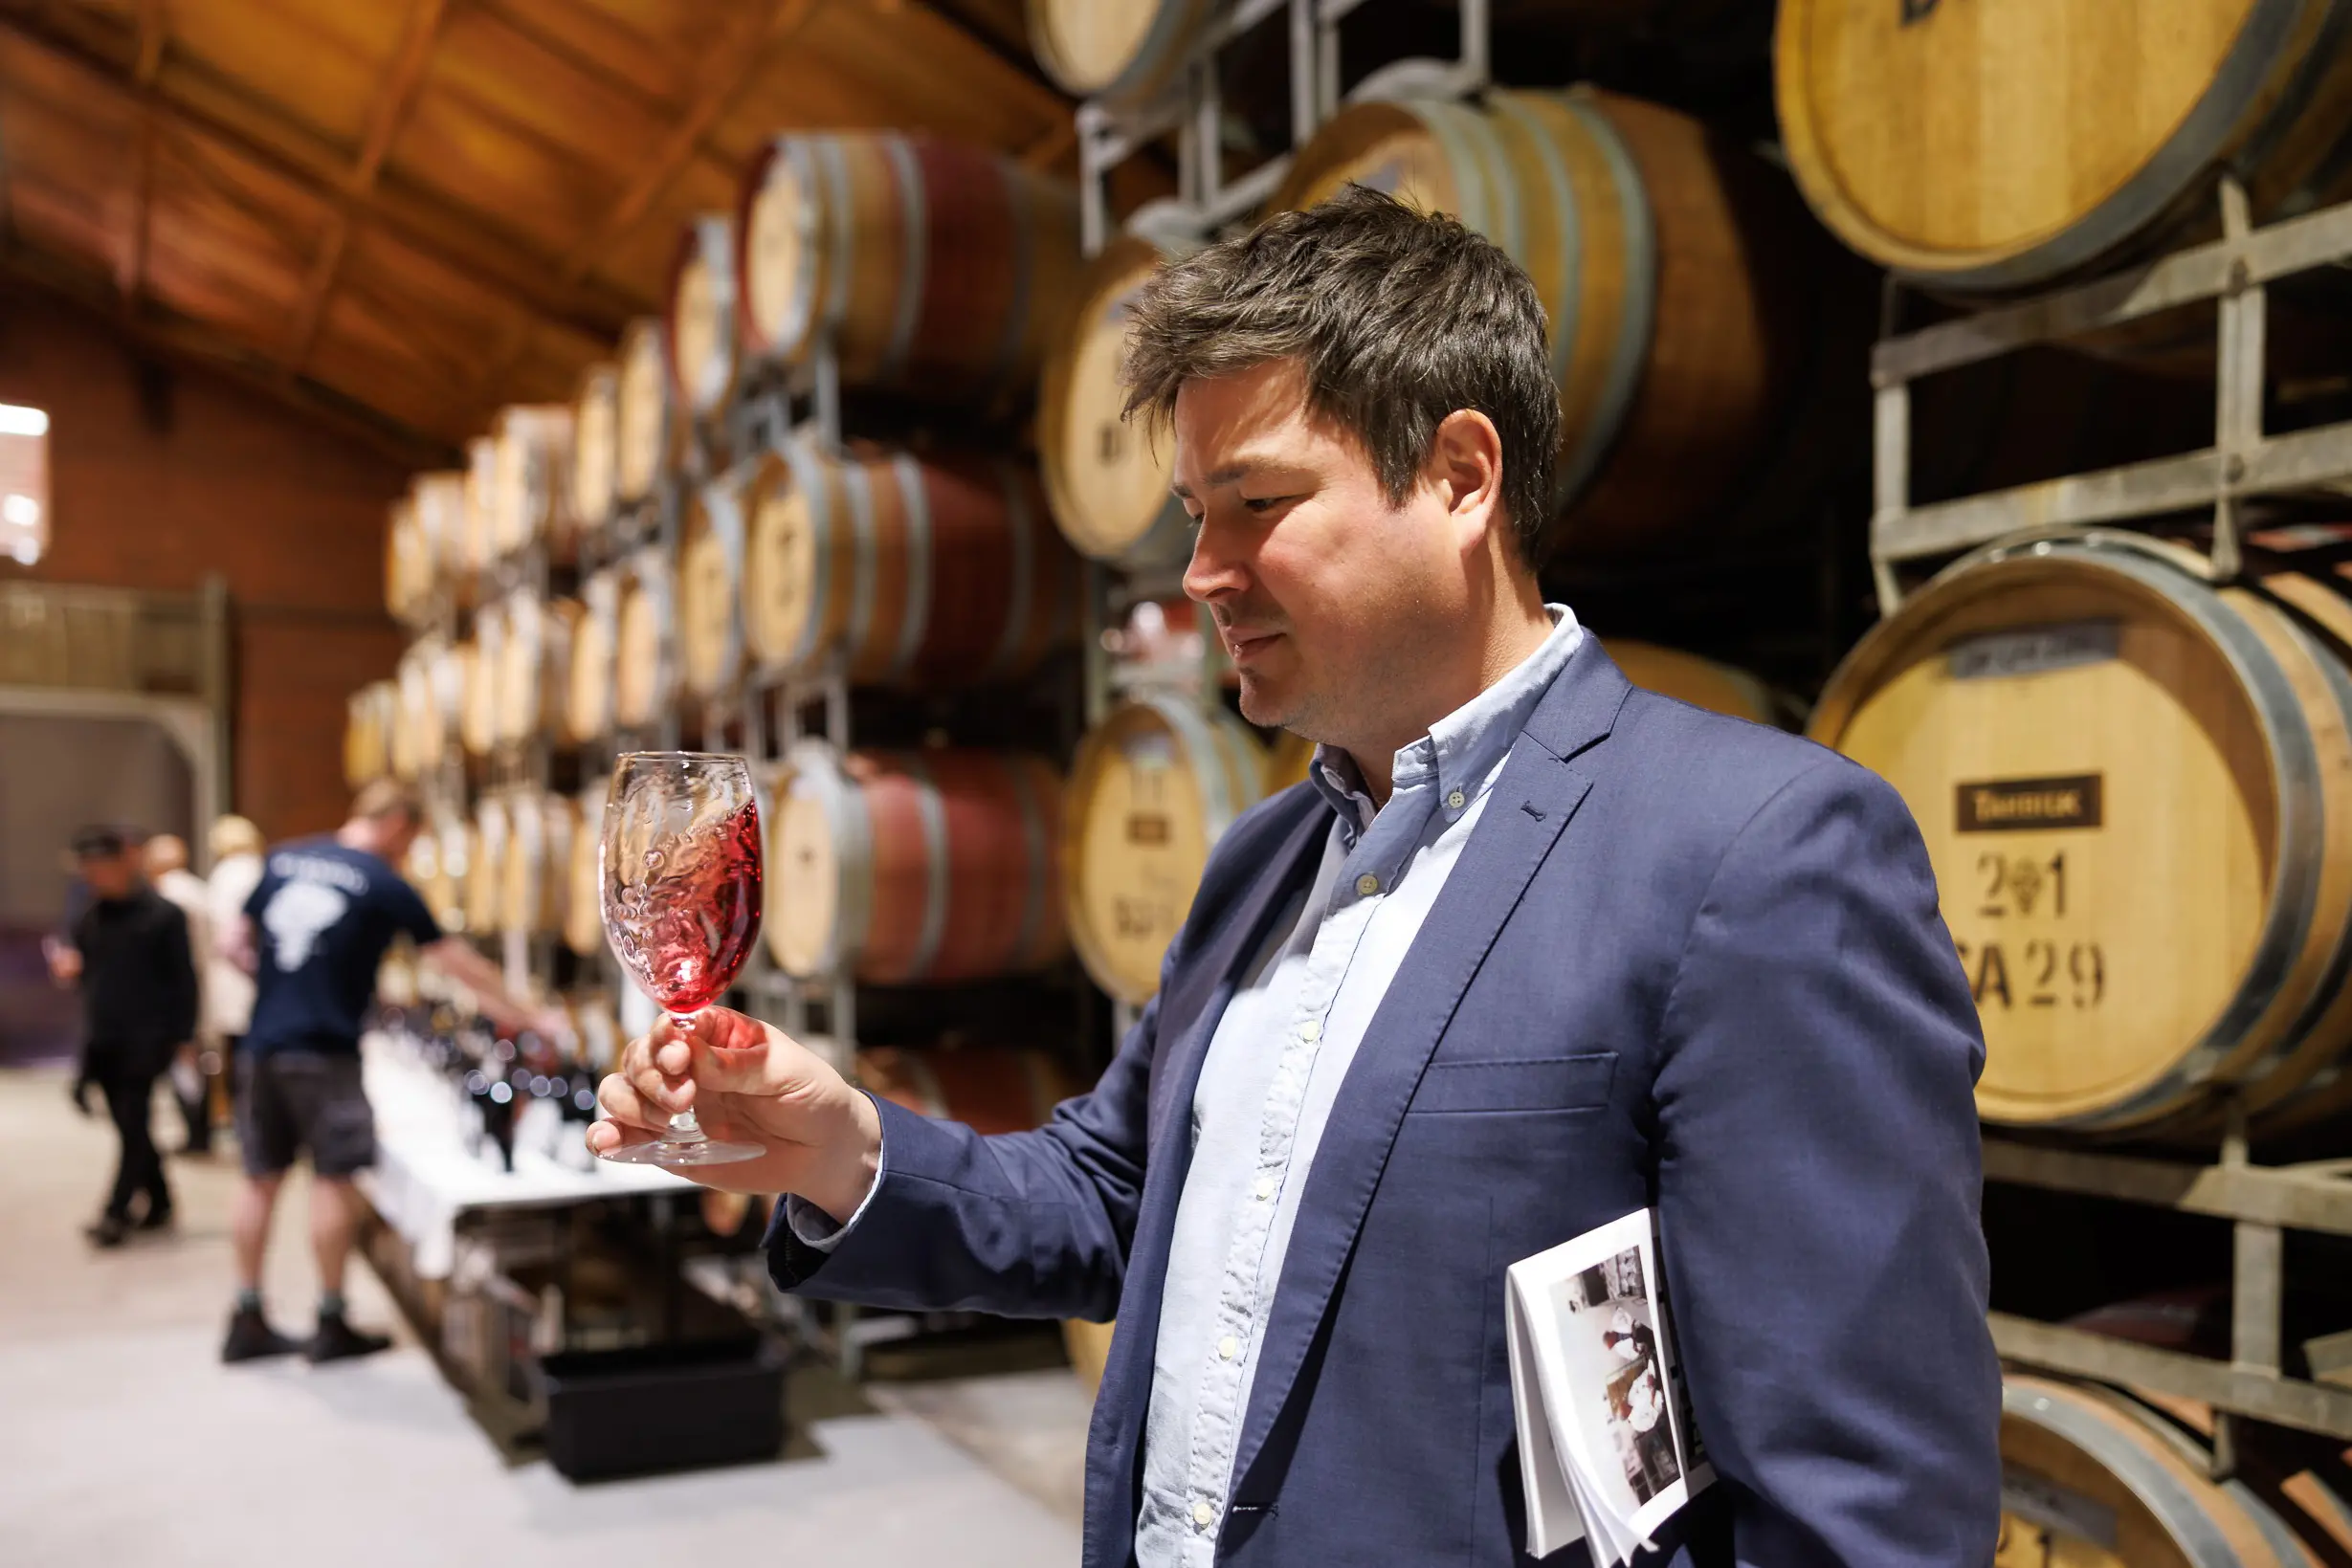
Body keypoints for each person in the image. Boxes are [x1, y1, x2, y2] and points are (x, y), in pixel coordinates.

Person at [593, 188, 2001, 1565]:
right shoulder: (1266, 857)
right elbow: (1117, 1200)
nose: (1200, 572)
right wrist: (838, 1146)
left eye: (1253, 500)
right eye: (1192, 512)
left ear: (1459, 476)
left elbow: (1864, 1495)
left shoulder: (1757, 851)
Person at [220, 781, 567, 1365]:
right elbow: (453, 961)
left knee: (261, 1177)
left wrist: (282, 987)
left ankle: (247, 1315)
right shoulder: (383, 881)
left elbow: (233, 943)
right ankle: (331, 1321)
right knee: (333, 1178)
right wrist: (528, 1015)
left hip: (262, 1043)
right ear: (397, 824)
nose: (408, 853)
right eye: (410, 841)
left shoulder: (285, 857)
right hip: (326, 1050)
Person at [47, 826, 198, 1248]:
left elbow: (183, 981)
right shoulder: (92, 915)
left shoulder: (164, 915)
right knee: (128, 1124)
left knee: (133, 1123)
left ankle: (116, 1212)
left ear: (125, 863)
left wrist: (183, 1037)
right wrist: (72, 970)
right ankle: (162, 1200)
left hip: (148, 1037)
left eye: (100, 867)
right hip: (103, 1035)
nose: (93, 877)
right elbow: (88, 972)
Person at [143, 833, 216, 1155]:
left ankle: (197, 1133)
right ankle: (199, 1131)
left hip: (180, 989)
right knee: (197, 1062)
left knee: (186, 1062)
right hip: (201, 982)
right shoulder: (195, 888)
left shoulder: (169, 896)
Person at [204, 816, 267, 1117]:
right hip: (246, 975)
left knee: (238, 1053)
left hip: (235, 974)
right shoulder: (252, 870)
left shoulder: (228, 873)